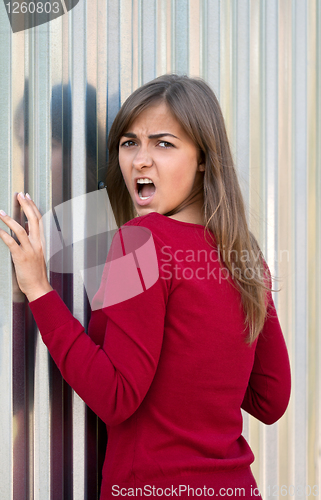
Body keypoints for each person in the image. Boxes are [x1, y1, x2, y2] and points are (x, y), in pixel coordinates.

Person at [0, 74, 291, 499]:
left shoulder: (142, 240)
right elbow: (271, 398)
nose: (140, 160)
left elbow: (116, 396)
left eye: (164, 143)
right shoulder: (244, 255)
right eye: (129, 142)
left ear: (204, 158)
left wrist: (38, 290)